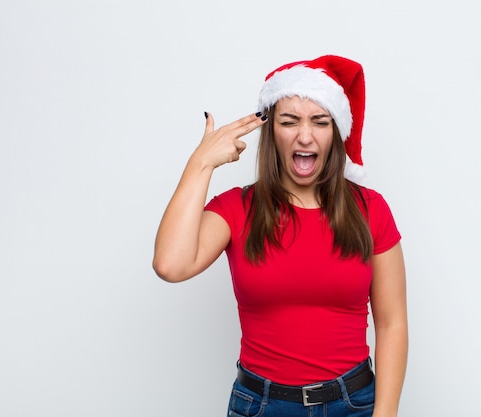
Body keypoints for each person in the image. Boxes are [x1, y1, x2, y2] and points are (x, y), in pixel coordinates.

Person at [153, 55, 408, 417]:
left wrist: (386, 415)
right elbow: (170, 264)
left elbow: (391, 322)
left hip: (355, 405)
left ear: (335, 132)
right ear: (272, 131)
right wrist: (202, 163)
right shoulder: (236, 208)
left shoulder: (370, 209)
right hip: (261, 406)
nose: (305, 135)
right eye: (290, 121)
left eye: (320, 122)